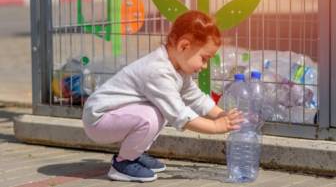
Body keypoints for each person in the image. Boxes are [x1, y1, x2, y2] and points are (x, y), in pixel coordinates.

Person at [82, 10, 243, 182]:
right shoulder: (158, 71)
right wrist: (216, 127)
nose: (204, 66)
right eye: (204, 58)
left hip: (113, 115)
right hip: (98, 120)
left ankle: (134, 153)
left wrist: (220, 114)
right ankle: (123, 163)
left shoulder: (178, 68)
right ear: (184, 46)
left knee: (160, 110)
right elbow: (180, 115)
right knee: (153, 116)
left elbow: (196, 97)